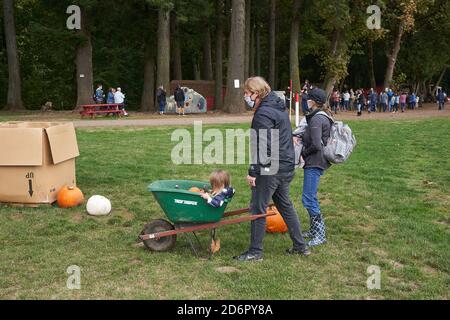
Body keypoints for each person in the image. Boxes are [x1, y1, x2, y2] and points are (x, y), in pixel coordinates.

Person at [233, 76, 310, 262]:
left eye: (246, 93)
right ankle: (301, 246)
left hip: (271, 168)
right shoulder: (278, 108)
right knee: (285, 205)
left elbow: (262, 147)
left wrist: (253, 172)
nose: (245, 97)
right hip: (285, 165)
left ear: (256, 93)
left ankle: (255, 252)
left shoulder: (263, 114)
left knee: (257, 207)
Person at [300, 87, 333, 247]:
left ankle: (320, 234)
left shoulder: (317, 119)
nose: (305, 101)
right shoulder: (319, 117)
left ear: (312, 102)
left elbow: (316, 145)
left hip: (314, 161)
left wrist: (303, 154)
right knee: (310, 197)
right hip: (314, 161)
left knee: (308, 198)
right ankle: (314, 230)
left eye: (308, 99)